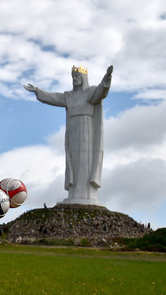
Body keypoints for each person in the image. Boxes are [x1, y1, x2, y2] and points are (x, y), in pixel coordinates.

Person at [24, 65, 113, 206]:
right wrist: (37, 91)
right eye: (73, 77)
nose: (75, 79)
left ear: (83, 78)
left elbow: (101, 91)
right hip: (72, 130)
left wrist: (107, 78)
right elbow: (53, 98)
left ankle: (87, 193)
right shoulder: (68, 96)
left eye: (77, 77)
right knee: (73, 161)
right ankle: (74, 193)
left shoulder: (90, 92)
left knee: (85, 161)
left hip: (87, 131)